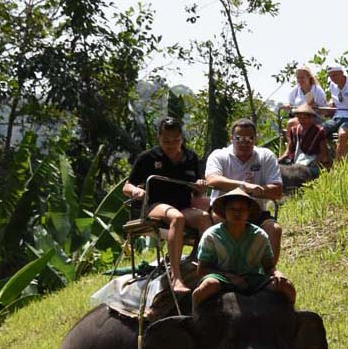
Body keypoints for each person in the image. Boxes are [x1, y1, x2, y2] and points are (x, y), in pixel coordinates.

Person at [123, 117, 211, 295]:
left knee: (203, 217)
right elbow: (127, 186)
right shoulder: (147, 158)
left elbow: (197, 191)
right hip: (155, 206)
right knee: (176, 218)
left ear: (182, 138)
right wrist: (136, 192)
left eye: (176, 140)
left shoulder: (191, 157)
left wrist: (200, 187)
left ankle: (201, 263)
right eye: (166, 141)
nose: (171, 145)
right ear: (159, 138)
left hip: (183, 205)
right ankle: (176, 276)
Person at [192, 188, 296, 310]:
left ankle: (292, 317)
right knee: (208, 286)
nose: (237, 213)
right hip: (221, 278)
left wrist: (277, 274)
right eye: (232, 209)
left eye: (242, 209)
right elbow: (202, 270)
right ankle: (195, 317)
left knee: (287, 286)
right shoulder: (211, 235)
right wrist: (230, 277)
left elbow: (269, 267)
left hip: (252, 279)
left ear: (248, 213)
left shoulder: (259, 235)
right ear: (225, 212)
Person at [204, 119, 284, 263]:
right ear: (231, 138)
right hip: (223, 209)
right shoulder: (219, 155)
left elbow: (277, 191)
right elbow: (212, 180)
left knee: (275, 229)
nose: (244, 142)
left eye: (249, 138)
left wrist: (257, 191)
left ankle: (269, 272)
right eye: (239, 138)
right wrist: (243, 186)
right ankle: (223, 265)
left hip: (255, 210)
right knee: (218, 220)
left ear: (255, 138)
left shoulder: (266, 156)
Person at [278, 103, 330, 168]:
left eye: (305, 118)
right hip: (296, 161)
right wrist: (280, 159)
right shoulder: (294, 130)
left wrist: (314, 162)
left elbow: (323, 151)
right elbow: (290, 149)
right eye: (300, 118)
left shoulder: (319, 131)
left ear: (311, 118)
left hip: (312, 162)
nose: (302, 120)